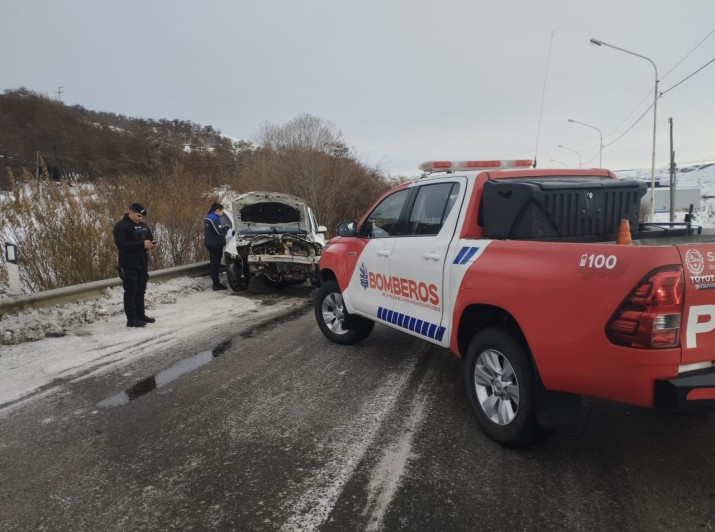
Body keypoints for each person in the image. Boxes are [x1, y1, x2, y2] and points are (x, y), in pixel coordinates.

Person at [113, 203, 158, 327]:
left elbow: (148, 238)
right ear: (130, 212)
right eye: (138, 216)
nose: (140, 219)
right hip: (128, 263)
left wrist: (152, 244)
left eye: (141, 217)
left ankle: (141, 315)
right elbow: (121, 245)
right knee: (131, 290)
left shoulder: (142, 226)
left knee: (141, 290)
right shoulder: (121, 226)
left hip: (142, 262)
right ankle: (131, 319)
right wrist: (141, 244)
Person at [204, 202, 230, 291]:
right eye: (222, 210)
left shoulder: (208, 216)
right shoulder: (214, 218)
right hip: (215, 244)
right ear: (217, 210)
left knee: (214, 263)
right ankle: (216, 284)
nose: (222, 212)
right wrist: (226, 229)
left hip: (210, 243)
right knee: (215, 264)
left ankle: (216, 283)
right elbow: (220, 232)